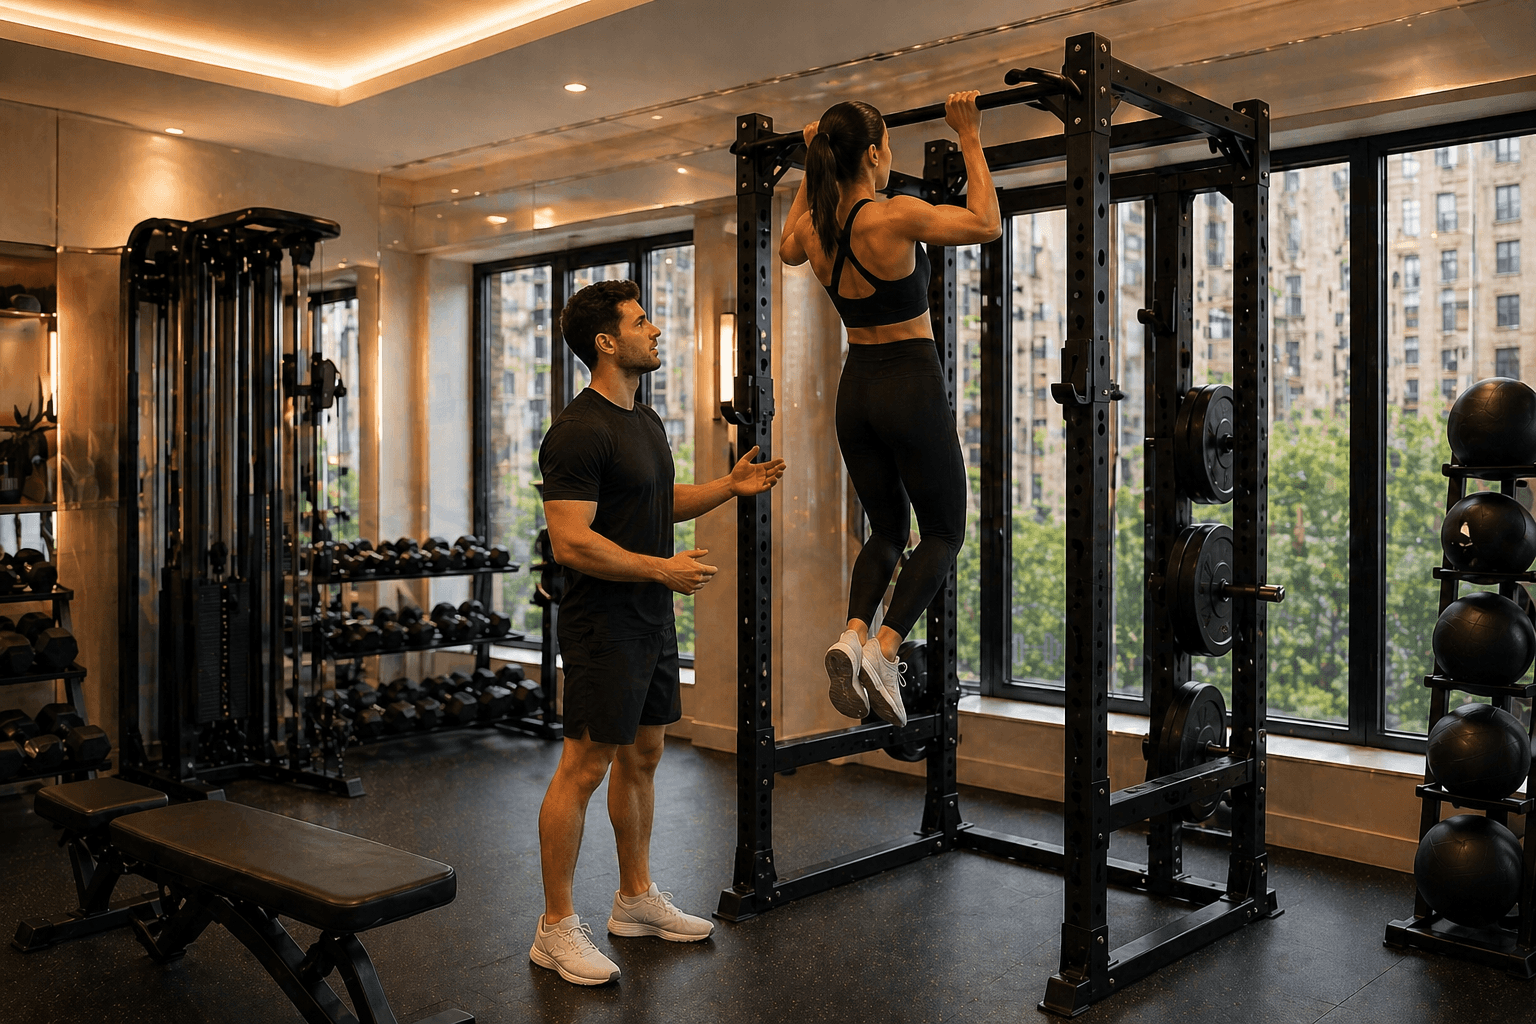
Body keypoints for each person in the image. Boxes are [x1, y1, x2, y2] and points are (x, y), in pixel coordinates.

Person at [530, 279, 786, 986]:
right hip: (602, 624)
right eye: (641, 322)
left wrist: (727, 487)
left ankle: (635, 898)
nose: (656, 330)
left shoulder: (642, 419)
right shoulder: (578, 430)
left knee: (644, 755)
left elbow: (655, 500)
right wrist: (659, 569)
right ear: (606, 343)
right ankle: (554, 927)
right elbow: (570, 541)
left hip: (648, 616)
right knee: (584, 767)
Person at [779, 92, 1000, 728]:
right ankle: (884, 649)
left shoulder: (815, 229)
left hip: (858, 391)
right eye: (887, 148)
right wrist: (970, 134)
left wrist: (808, 163)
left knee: (886, 530)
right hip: (909, 384)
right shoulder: (891, 216)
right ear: (875, 154)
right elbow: (986, 224)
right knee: (944, 531)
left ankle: (852, 635)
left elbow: (788, 249)